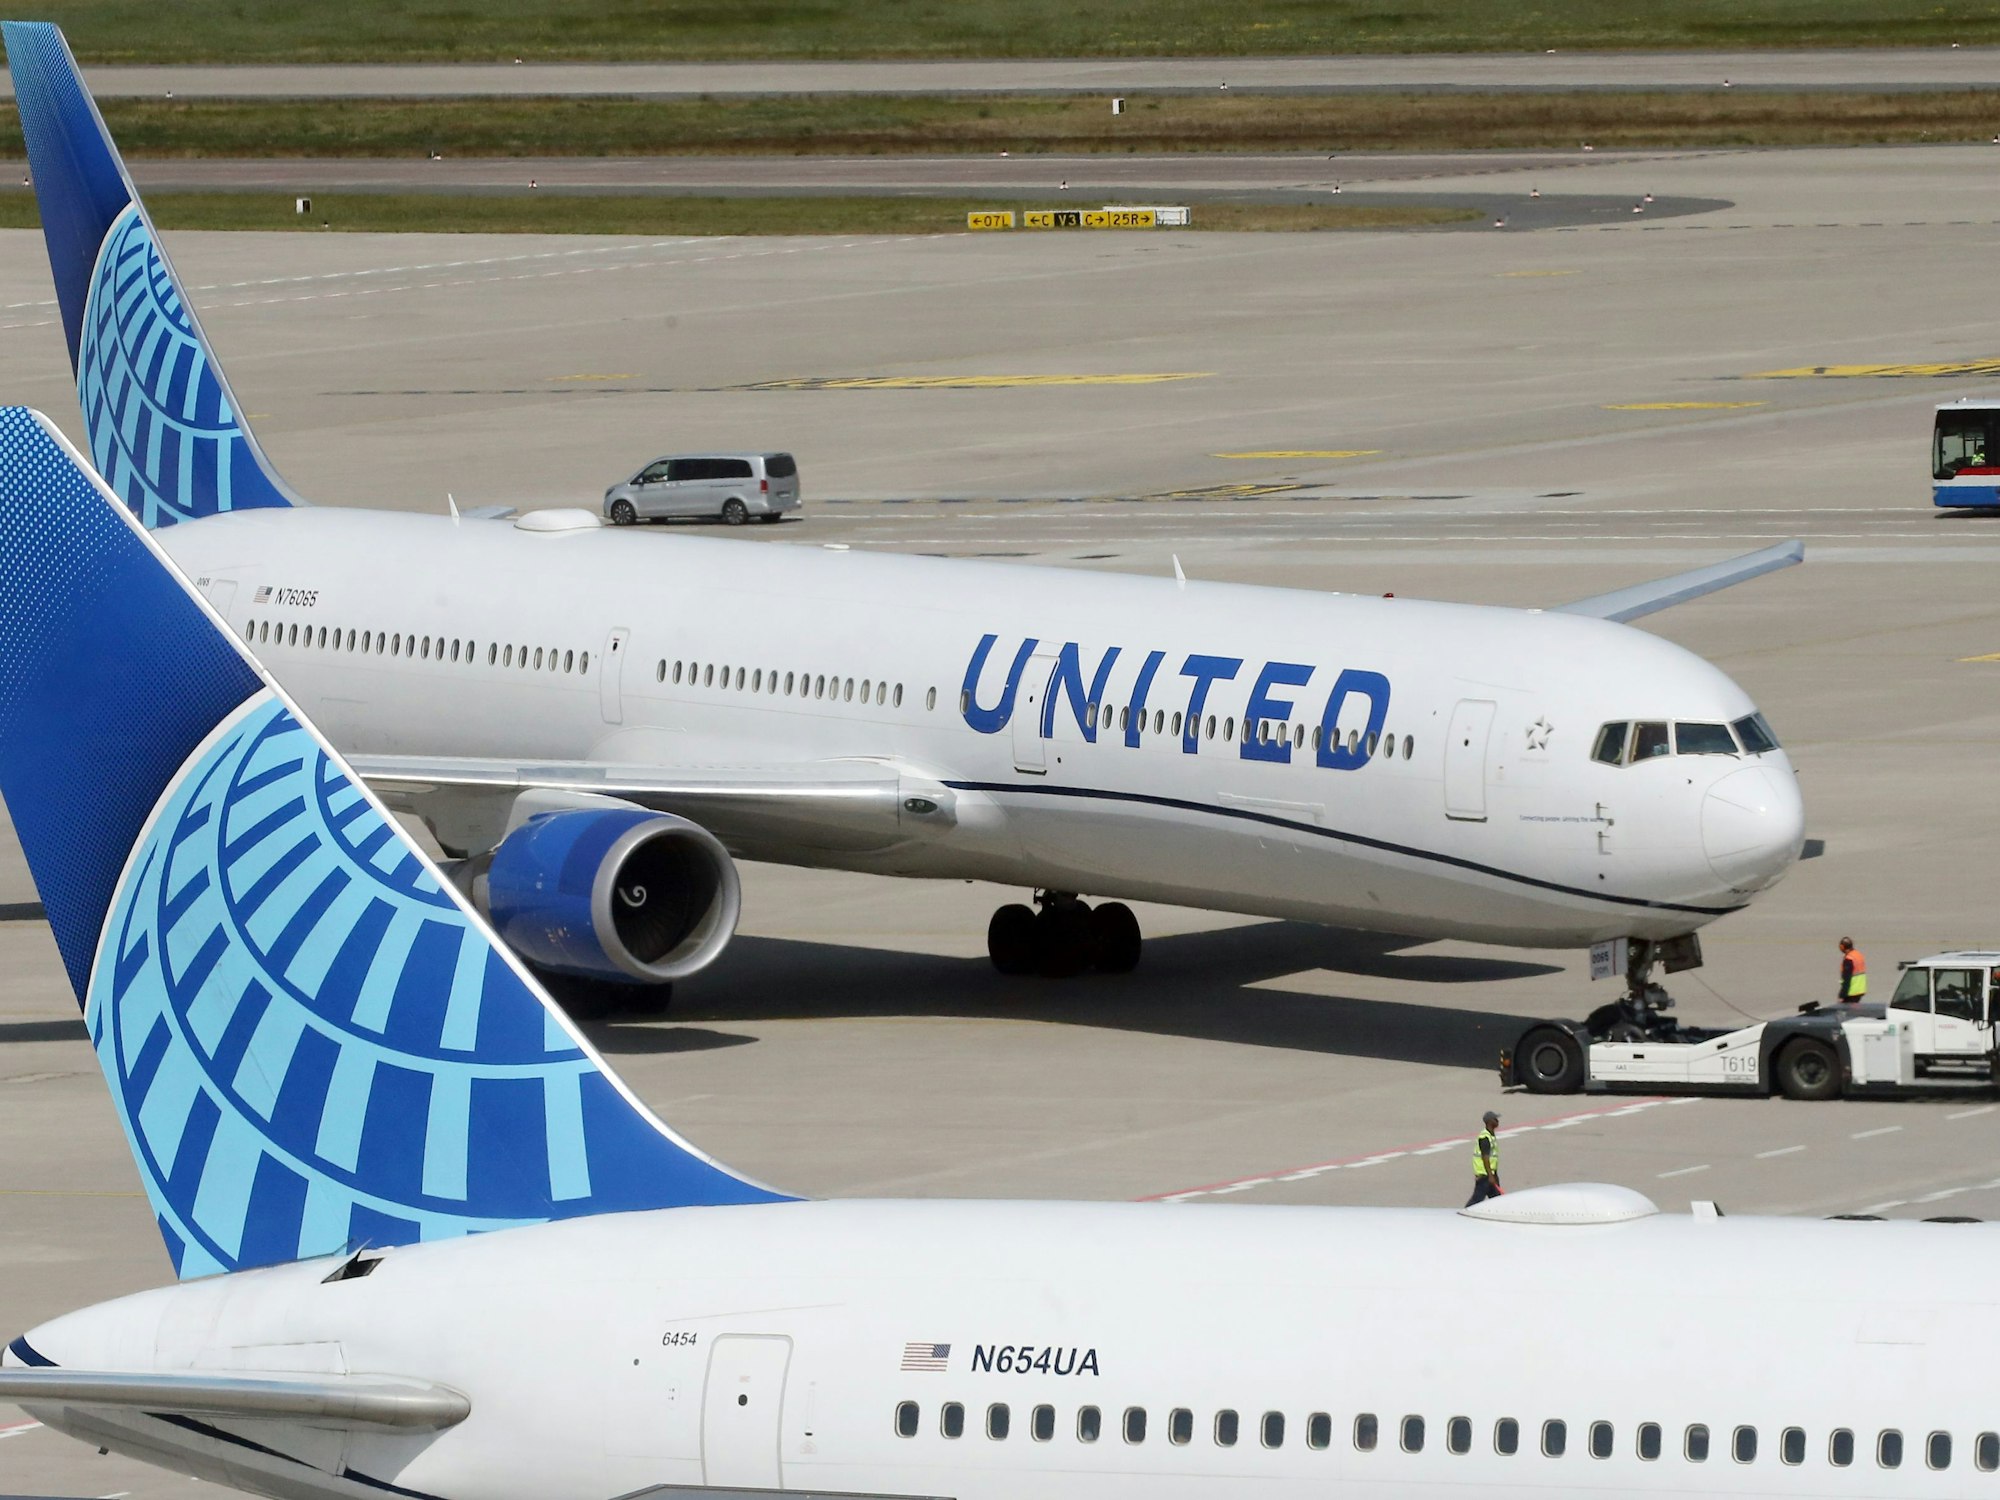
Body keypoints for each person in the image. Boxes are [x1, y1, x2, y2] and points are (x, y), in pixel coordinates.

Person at [1466, 1111, 1503, 1206]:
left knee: (1497, 1200)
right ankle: (1465, 1212)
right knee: (1476, 1200)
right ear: (1490, 1121)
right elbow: (1485, 1157)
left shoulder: (1491, 1135)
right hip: (1485, 1176)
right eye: (1495, 1119)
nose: (1497, 1121)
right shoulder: (1485, 1137)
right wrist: (1490, 1176)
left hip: (1490, 1174)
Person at [1838, 937, 1868, 1003]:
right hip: (1860, 989)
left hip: (1851, 991)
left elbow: (1847, 979)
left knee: (1845, 1009)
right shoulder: (1858, 955)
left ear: (1842, 947)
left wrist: (1842, 995)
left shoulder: (1849, 959)